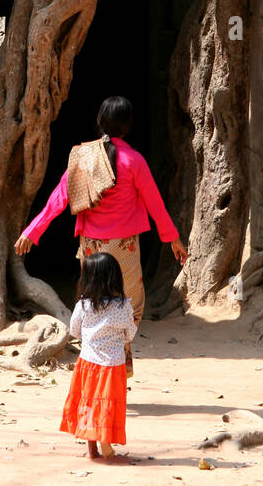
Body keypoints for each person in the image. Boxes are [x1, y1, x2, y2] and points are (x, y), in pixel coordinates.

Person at [14, 95, 187, 374]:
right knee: (129, 305)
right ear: (128, 126)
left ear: (100, 122)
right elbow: (155, 203)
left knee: (93, 302)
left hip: (92, 247)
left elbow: (59, 198)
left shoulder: (83, 158)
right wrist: (172, 239)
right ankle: (121, 358)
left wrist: (32, 232)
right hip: (125, 248)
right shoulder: (135, 161)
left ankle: (93, 362)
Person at [59, 251, 137, 460]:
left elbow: (74, 331)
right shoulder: (123, 305)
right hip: (112, 366)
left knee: (88, 402)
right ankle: (107, 445)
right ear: (115, 277)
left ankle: (92, 447)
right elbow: (130, 332)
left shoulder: (82, 305)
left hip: (87, 363)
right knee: (107, 402)